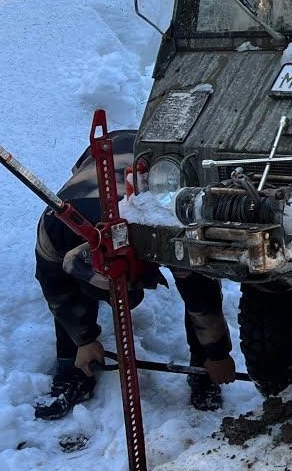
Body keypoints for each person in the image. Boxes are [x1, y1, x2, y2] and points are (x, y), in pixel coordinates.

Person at [33, 130, 237, 420]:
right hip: (99, 160)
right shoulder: (56, 228)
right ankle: (72, 367)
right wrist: (83, 341)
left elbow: (199, 296)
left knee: (194, 272)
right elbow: (56, 291)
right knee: (61, 286)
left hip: (151, 157)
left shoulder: (163, 228)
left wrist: (216, 355)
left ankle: (200, 366)